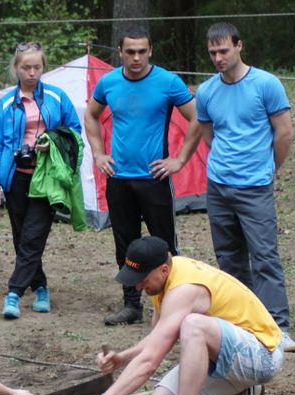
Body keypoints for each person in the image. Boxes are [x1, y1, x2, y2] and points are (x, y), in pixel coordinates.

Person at [67, 236, 285, 395]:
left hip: (262, 355)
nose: (137, 287)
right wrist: (123, 358)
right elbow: (157, 338)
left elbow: (150, 362)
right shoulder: (162, 279)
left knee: (193, 325)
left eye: (142, 279)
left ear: (163, 270)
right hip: (224, 356)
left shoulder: (183, 289)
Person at [84, 28, 201, 327]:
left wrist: (179, 160)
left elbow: (197, 118)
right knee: (125, 245)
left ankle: (175, 305)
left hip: (154, 178)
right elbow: (91, 115)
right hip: (119, 178)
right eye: (130, 52)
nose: (136, 58)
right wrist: (98, 154)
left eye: (142, 51)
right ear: (120, 52)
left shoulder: (167, 82)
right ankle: (132, 305)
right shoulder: (109, 82)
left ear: (150, 51)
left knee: (165, 245)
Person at [195, 22, 295, 352]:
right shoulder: (207, 90)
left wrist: (270, 168)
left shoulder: (266, 84)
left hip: (255, 186)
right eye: (212, 52)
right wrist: (223, 165)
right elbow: (209, 134)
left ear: (240, 46)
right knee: (229, 257)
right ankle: (243, 321)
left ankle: (277, 326)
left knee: (265, 256)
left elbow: (283, 133)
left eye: (224, 50)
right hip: (218, 185)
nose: (218, 58)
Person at [0, 42, 82, 319]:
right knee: (22, 237)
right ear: (16, 68)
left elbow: (73, 131)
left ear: (44, 67)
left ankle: (14, 292)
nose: (31, 73)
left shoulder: (56, 96)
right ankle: (40, 286)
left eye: (37, 67)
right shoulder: (6, 102)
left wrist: (50, 141)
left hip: (47, 178)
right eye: (26, 67)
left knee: (33, 236)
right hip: (16, 177)